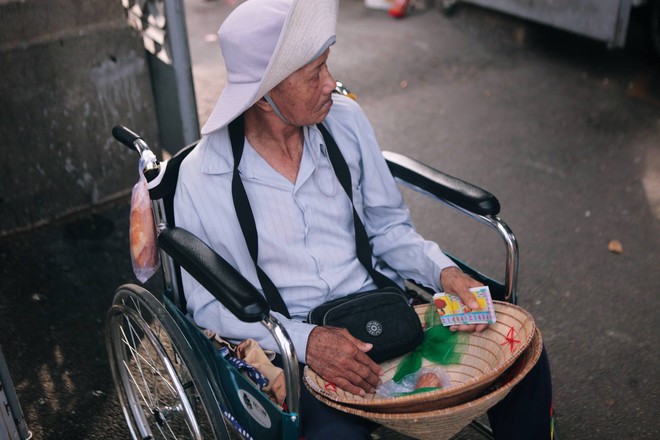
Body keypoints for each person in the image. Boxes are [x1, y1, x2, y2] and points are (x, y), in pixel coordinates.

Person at [174, 0, 555, 438]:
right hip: (293, 345)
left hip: (381, 307)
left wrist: (443, 272)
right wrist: (307, 342)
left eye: (326, 65)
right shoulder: (204, 178)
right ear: (263, 95)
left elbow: (389, 228)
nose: (330, 83)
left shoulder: (346, 122)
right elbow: (207, 307)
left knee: (522, 360)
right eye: (314, 73)